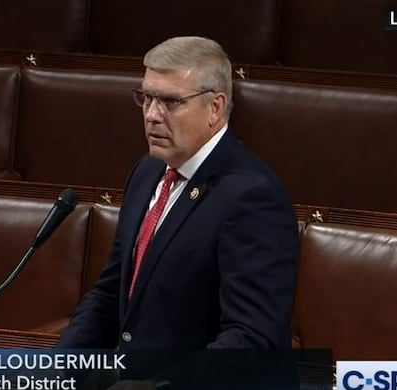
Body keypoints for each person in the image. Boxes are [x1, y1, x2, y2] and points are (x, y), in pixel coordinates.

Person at [58, 36, 299, 354]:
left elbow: (251, 339)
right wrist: (60, 368)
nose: (151, 115)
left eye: (170, 102)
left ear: (215, 108)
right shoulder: (147, 173)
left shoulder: (253, 199)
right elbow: (112, 291)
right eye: (146, 98)